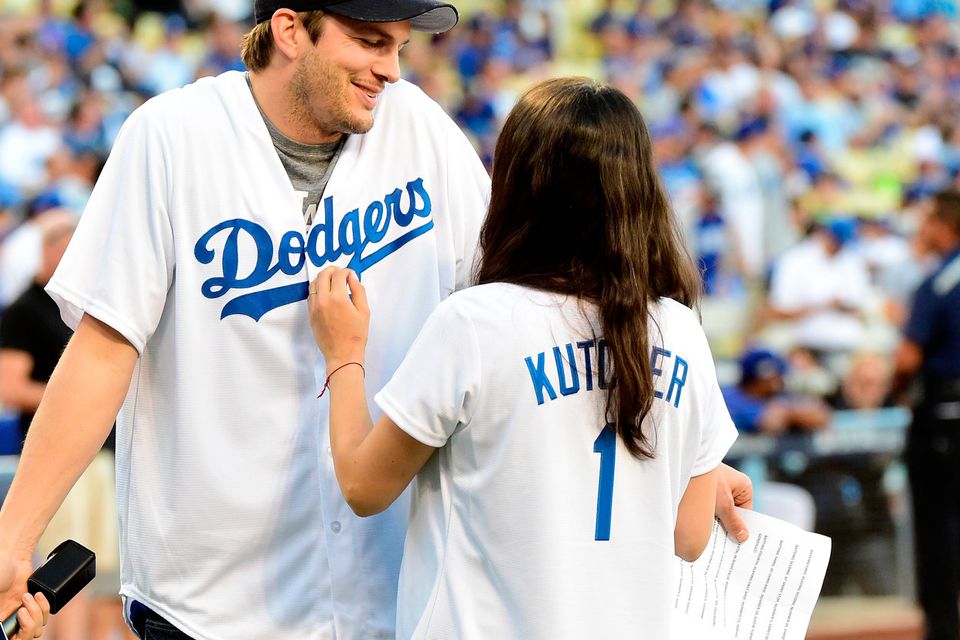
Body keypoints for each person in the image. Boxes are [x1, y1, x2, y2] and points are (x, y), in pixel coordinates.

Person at [0, 1, 490, 638]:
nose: (390, 69)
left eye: (397, 46)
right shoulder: (172, 136)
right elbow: (102, 348)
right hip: (212, 604)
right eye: (369, 41)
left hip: (390, 592)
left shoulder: (422, 131)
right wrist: (14, 538)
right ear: (290, 29)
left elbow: (495, 306)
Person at [307, 77, 739, 638]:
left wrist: (345, 355)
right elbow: (689, 536)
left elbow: (365, 489)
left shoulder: (477, 322)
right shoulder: (680, 327)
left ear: (519, 184)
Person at [894, 189, 960, 640]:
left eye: (929, 220)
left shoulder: (939, 281)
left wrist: (896, 391)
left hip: (944, 418)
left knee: (939, 531)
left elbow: (906, 359)